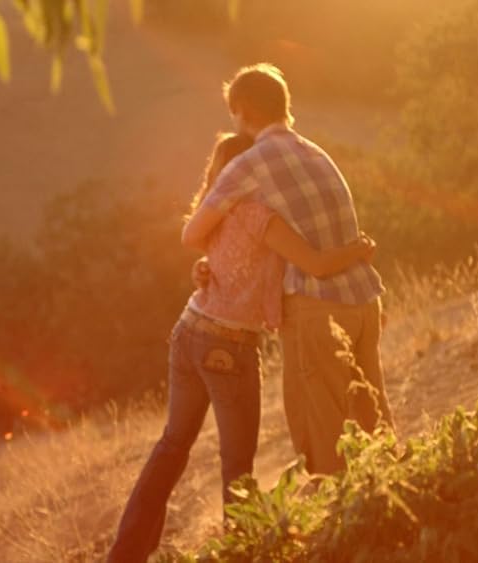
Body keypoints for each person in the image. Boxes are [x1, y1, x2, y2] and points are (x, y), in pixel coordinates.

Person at [107, 132, 376, 563]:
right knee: (237, 464)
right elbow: (317, 264)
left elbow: (216, 263)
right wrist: (359, 248)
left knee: (172, 445)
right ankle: (241, 554)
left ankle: (126, 553)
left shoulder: (214, 213)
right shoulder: (260, 215)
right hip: (229, 347)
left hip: (189, 331)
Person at [186, 63, 395, 477]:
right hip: (364, 302)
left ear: (243, 110)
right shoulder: (317, 152)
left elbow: (194, 231)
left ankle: (342, 533)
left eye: (234, 114)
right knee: (374, 419)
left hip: (315, 309)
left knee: (320, 435)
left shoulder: (248, 164)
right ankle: (397, 498)